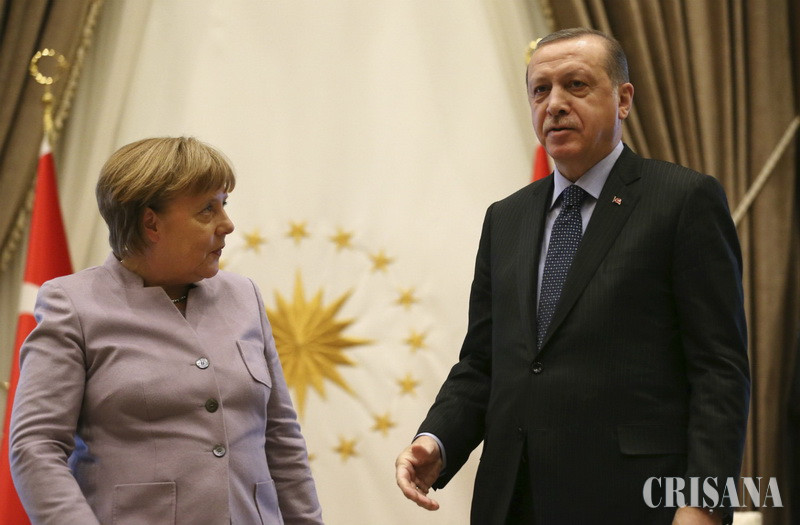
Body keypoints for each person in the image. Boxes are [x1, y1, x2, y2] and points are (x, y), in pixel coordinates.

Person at [395, 28, 750, 525]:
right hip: (513, 499)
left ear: (623, 99)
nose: (555, 104)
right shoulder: (506, 218)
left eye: (576, 85)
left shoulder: (683, 200)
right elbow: (483, 362)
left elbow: (719, 370)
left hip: (636, 502)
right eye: (540, 90)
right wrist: (436, 440)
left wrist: (705, 505)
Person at [9, 137, 323, 524]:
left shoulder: (244, 297)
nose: (227, 224)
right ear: (151, 223)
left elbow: (281, 438)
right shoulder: (73, 304)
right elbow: (36, 447)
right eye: (207, 210)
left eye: (224, 204)